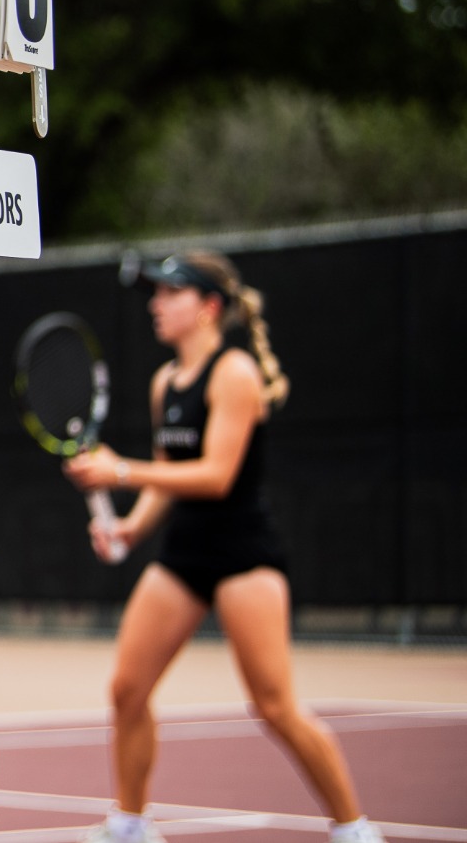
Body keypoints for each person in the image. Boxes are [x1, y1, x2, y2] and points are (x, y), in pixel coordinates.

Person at [64, 251, 380, 843]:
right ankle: (130, 825)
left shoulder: (236, 372)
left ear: (208, 307)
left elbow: (215, 476)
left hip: (243, 554)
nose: (156, 305)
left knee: (275, 706)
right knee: (128, 689)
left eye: (168, 294)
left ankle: (354, 830)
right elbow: (169, 471)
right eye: (153, 295)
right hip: (185, 554)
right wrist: (131, 526)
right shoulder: (166, 382)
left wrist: (121, 473)